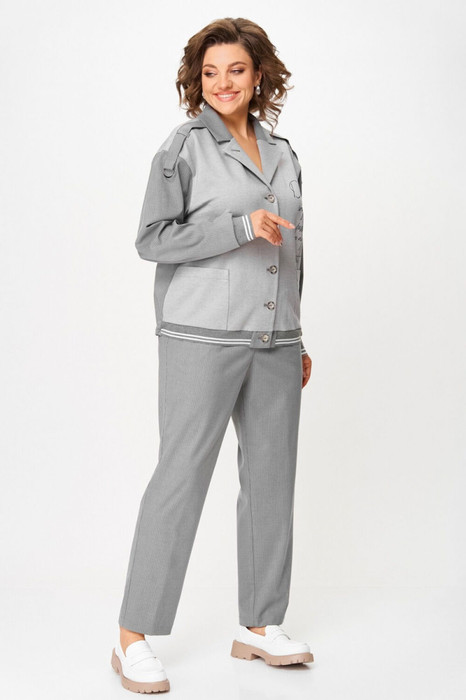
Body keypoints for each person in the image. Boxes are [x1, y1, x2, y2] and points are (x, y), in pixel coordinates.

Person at [111, 17, 314, 694]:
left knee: (272, 482)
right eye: (209, 72)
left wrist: (296, 332)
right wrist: (237, 225)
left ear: (259, 76)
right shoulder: (183, 148)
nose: (222, 83)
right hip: (200, 336)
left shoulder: (283, 152)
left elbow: (293, 248)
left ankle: (260, 624)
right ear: (196, 81)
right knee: (181, 478)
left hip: (274, 338)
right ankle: (132, 638)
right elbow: (152, 239)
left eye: (236, 70)